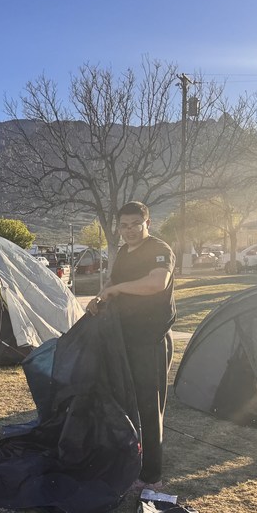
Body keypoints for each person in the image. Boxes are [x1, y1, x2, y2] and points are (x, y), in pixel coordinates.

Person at [86, 202, 175, 490]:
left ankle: (152, 477)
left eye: (136, 224)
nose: (130, 231)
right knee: (125, 402)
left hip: (149, 340)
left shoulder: (159, 250)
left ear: (148, 222)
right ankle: (128, 459)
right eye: (124, 226)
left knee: (149, 407)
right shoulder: (123, 251)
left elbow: (157, 283)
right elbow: (114, 280)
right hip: (122, 337)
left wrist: (116, 289)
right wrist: (100, 298)